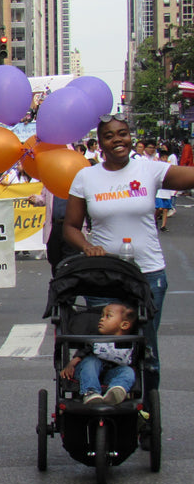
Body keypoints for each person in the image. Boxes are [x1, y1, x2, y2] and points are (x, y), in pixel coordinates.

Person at [63, 114, 194, 400]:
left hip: (148, 274)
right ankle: (107, 403)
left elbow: (190, 174)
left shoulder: (149, 170)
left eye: (122, 133)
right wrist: (87, 247)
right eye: (109, 136)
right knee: (105, 346)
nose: (117, 140)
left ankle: (146, 412)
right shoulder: (87, 176)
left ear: (130, 136)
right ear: (100, 143)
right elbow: (70, 227)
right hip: (103, 277)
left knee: (145, 348)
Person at [60, 303, 137, 406]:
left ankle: (116, 391)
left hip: (110, 375)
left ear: (124, 325)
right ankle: (91, 392)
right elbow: (83, 352)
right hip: (87, 373)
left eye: (108, 316)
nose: (101, 319)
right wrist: (72, 363)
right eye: (101, 316)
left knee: (128, 371)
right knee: (91, 361)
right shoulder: (94, 338)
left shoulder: (129, 343)